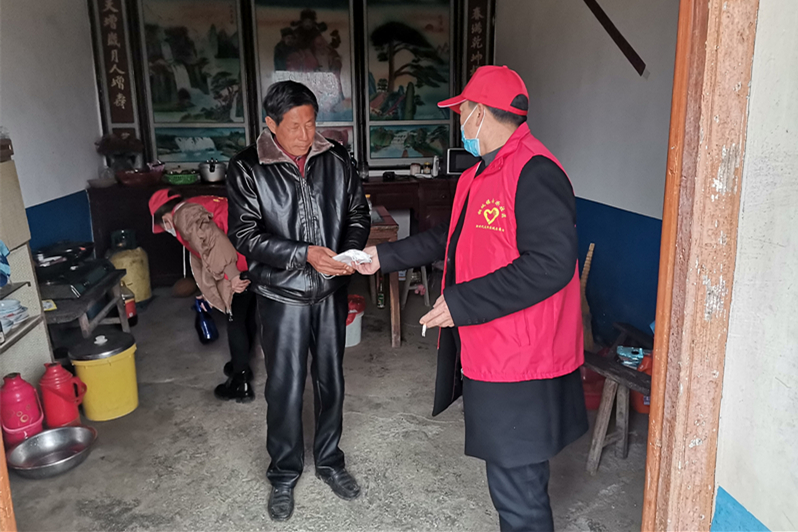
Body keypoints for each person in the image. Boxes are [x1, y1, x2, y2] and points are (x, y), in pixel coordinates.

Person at [356, 65, 589, 532]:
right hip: (491, 351)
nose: (460, 121)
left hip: (523, 361)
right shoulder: (479, 174)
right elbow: (449, 238)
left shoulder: (535, 171)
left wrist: (462, 302)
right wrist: (380, 257)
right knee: (509, 483)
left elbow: (551, 263)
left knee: (518, 492)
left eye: (462, 112)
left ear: (479, 113)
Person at [226, 80, 370, 522]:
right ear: (271, 125)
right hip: (280, 293)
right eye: (294, 126)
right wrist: (304, 254)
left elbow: (357, 212)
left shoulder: (335, 158)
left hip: (329, 290)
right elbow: (245, 235)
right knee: (285, 387)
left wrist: (347, 255)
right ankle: (284, 473)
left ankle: (329, 460)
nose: (306, 135)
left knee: (331, 381)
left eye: (311, 124)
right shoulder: (247, 167)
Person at [148, 191, 258, 402]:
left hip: (239, 265)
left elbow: (214, 242)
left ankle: (241, 381)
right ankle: (242, 362)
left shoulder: (184, 216)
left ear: (165, 218)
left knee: (235, 321)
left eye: (163, 226)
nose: (167, 230)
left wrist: (233, 275)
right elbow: (206, 253)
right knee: (247, 314)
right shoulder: (199, 204)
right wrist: (208, 291)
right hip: (253, 257)